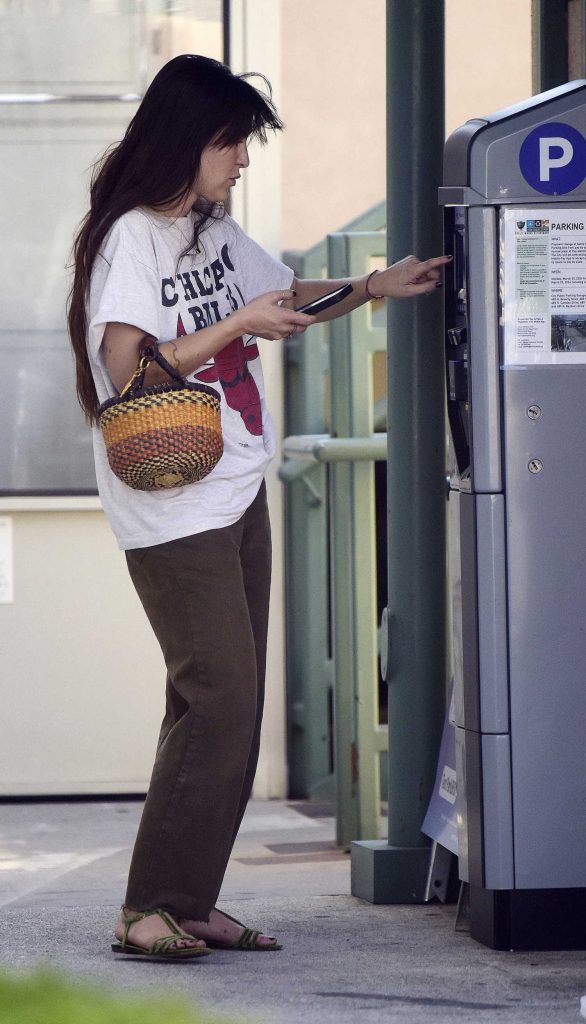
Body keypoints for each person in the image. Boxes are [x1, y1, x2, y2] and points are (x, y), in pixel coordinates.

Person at [67, 53, 449, 960]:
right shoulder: (136, 237)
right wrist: (237, 326)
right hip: (171, 510)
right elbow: (127, 370)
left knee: (221, 706)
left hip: (235, 488)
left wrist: (366, 289)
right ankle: (146, 907)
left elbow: (283, 297)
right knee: (221, 699)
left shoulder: (210, 231)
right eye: (231, 141)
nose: (242, 158)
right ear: (186, 140)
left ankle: (186, 901)